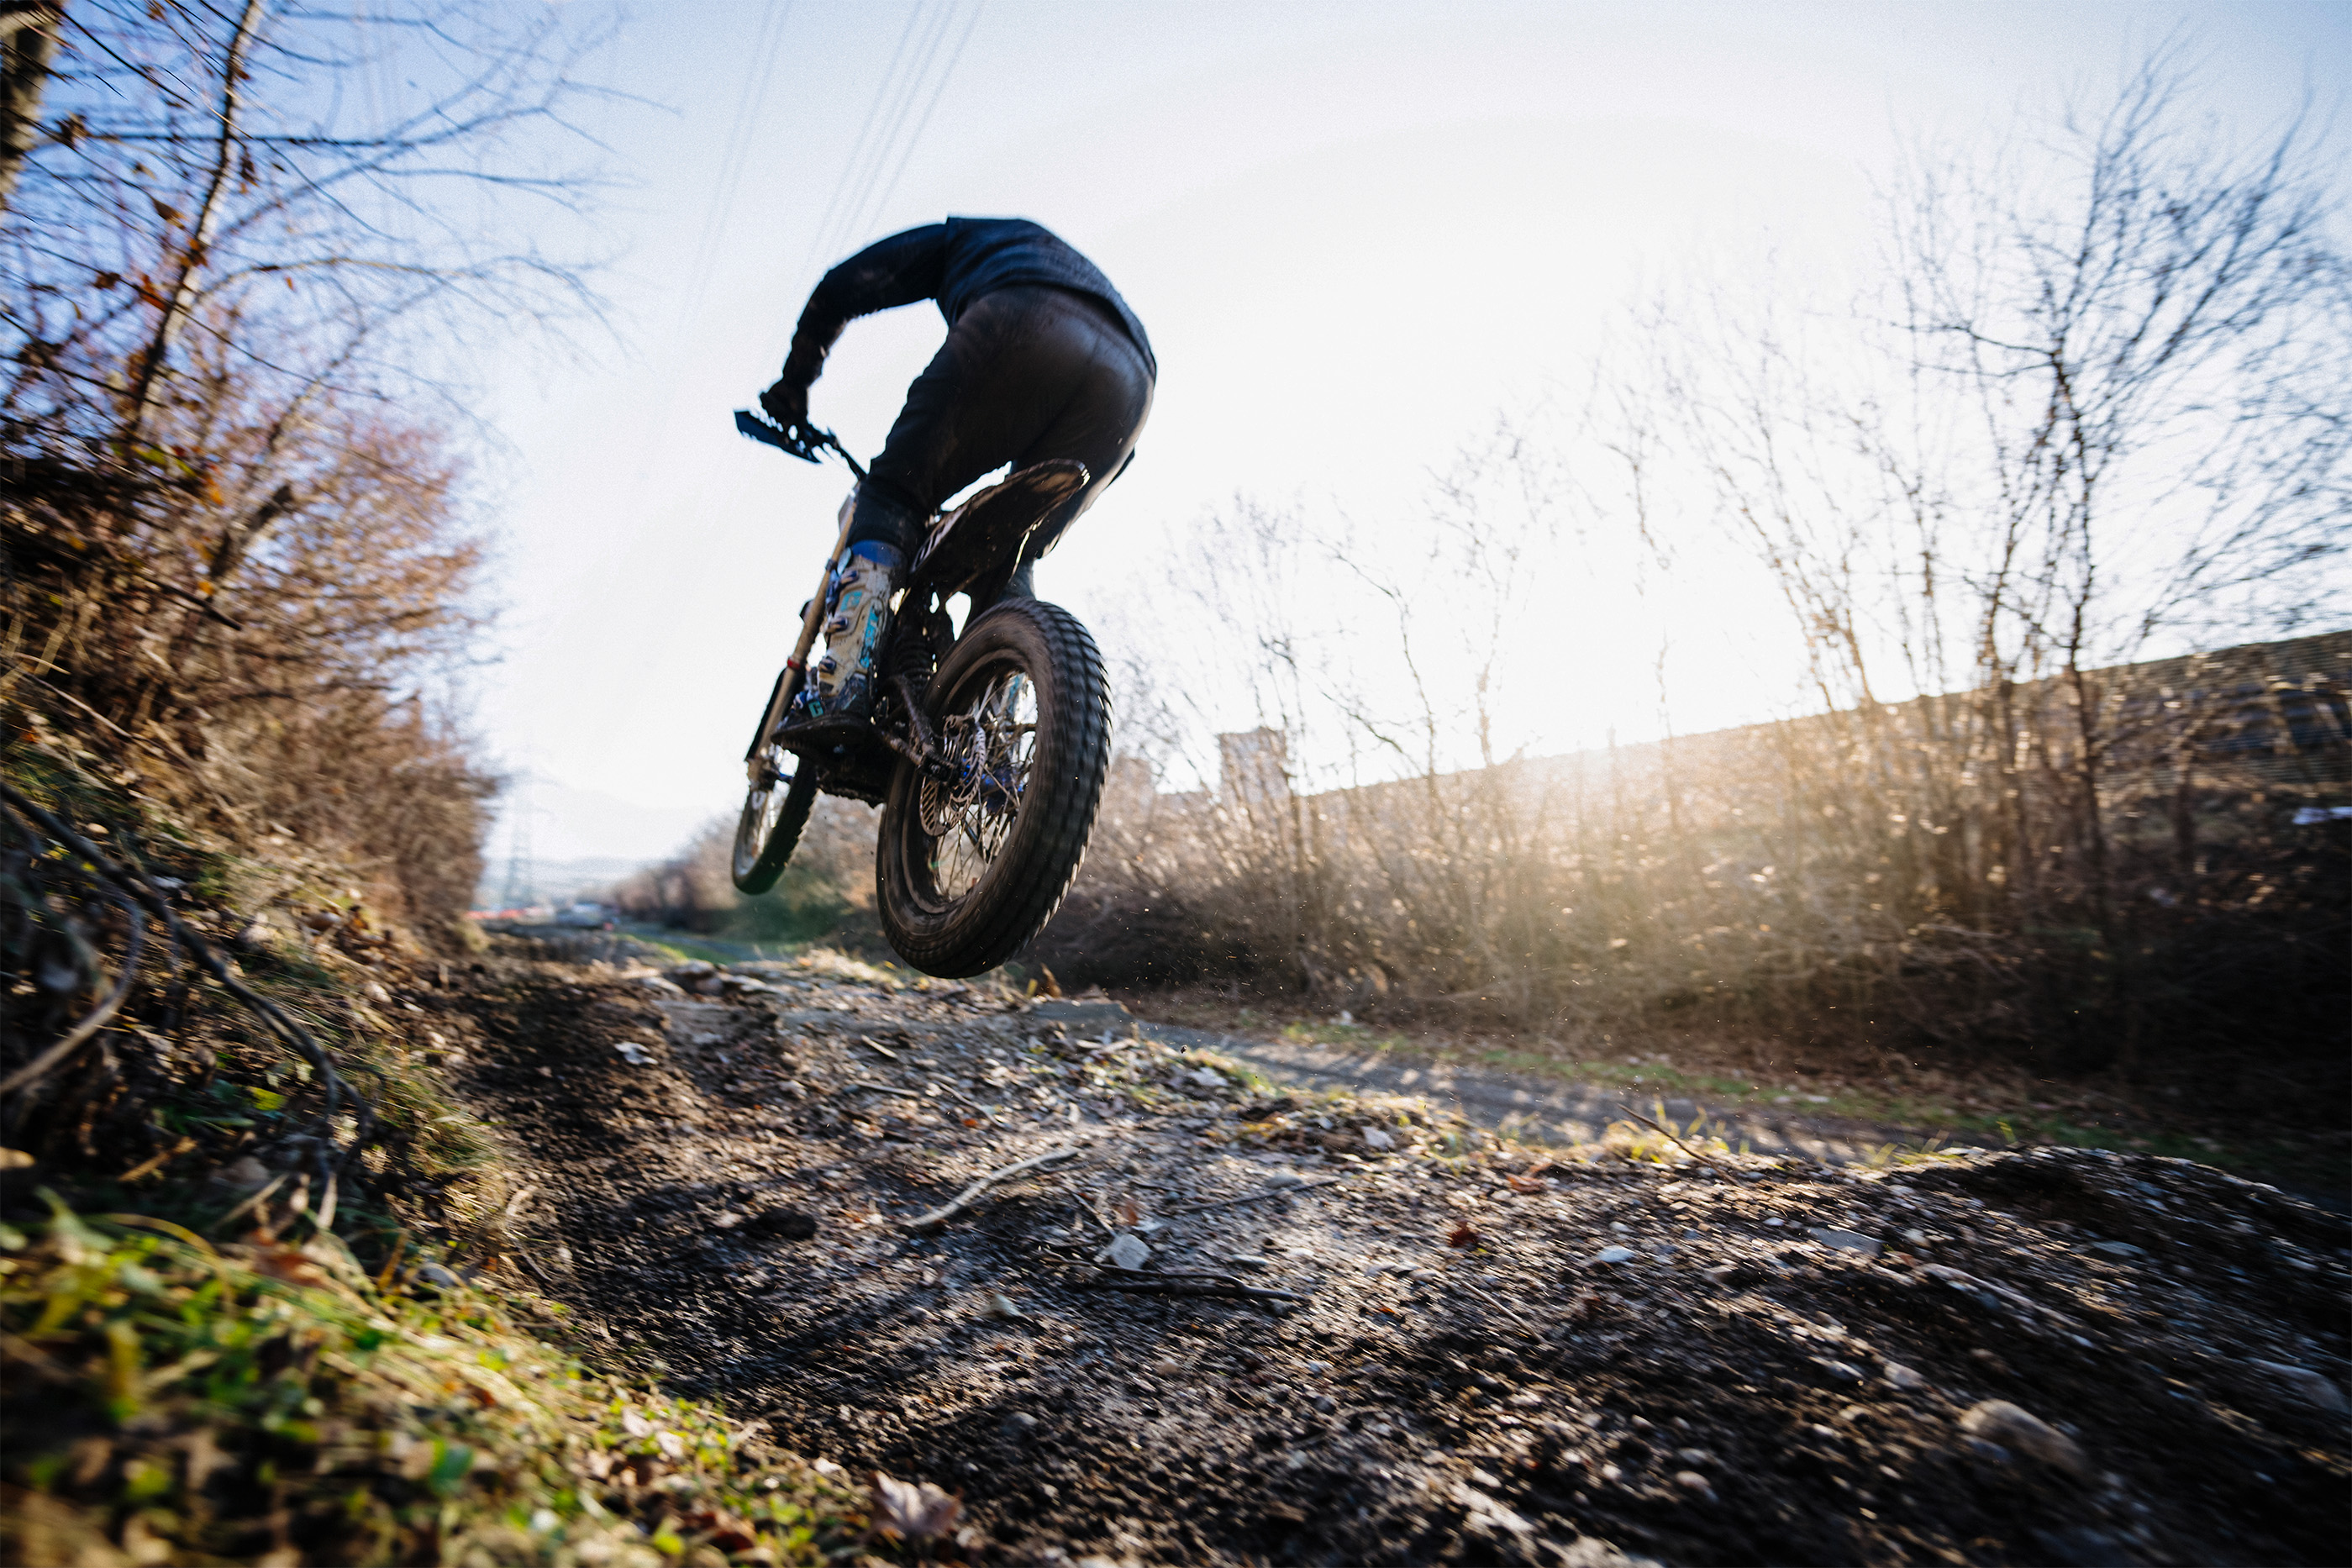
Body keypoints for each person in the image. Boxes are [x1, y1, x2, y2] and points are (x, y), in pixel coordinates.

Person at [761, 217, 1155, 723]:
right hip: (1131, 384)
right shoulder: (1054, 258)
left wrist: (794, 384)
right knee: (1014, 550)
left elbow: (842, 286)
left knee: (892, 496)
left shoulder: (962, 239)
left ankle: (841, 687)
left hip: (1026, 320)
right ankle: (994, 731)